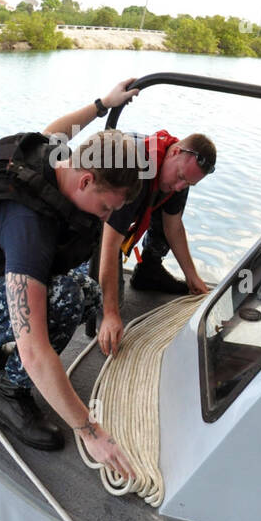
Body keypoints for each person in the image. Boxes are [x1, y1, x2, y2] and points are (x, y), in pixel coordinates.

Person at [0, 79, 143, 475]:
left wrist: (102, 104)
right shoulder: (28, 224)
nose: (107, 218)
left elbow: (62, 127)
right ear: (85, 181)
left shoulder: (54, 156)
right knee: (69, 297)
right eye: (105, 207)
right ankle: (11, 392)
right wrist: (90, 431)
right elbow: (35, 351)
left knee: (87, 288)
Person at [94, 130, 215, 357]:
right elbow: (109, 245)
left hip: (130, 207)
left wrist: (192, 277)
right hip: (90, 218)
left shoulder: (178, 177)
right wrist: (110, 313)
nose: (180, 186)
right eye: (180, 177)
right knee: (109, 302)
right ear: (175, 152)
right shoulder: (134, 171)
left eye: (188, 183)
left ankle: (149, 268)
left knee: (169, 199)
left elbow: (173, 226)